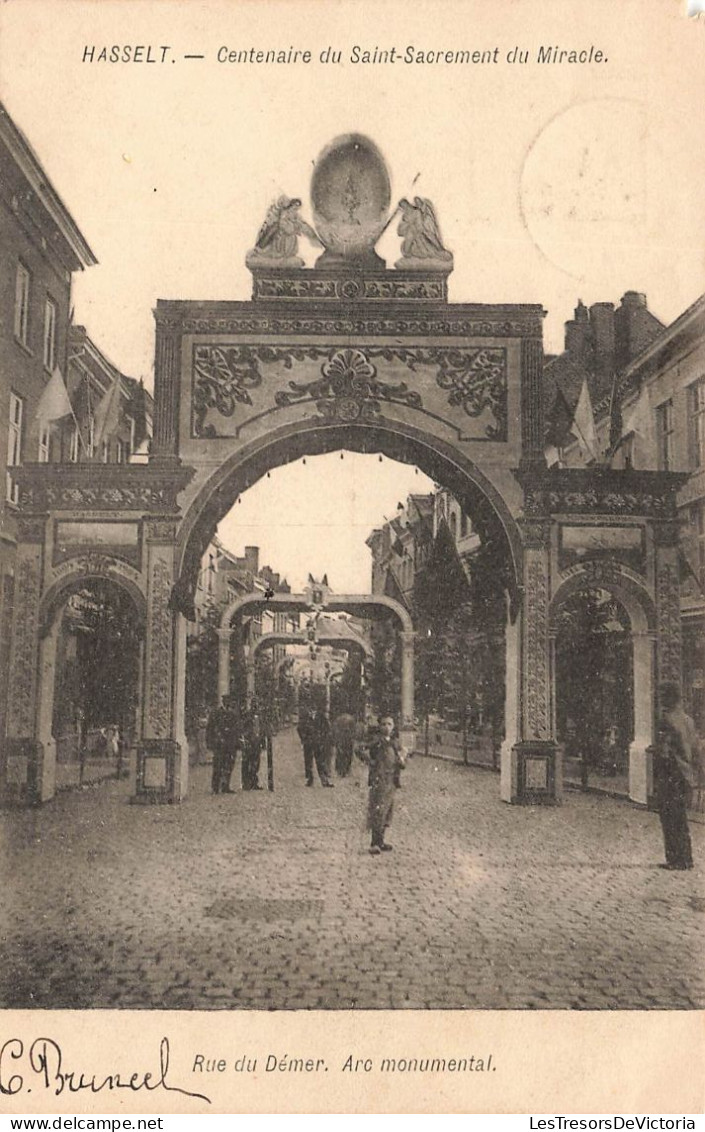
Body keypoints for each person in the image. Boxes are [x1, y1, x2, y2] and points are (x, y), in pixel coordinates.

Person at [654, 684, 699, 871]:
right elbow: (696, 748)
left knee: (669, 816)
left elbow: (664, 752)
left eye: (663, 696)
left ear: (669, 698)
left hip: (671, 773)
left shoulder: (665, 720)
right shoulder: (688, 720)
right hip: (686, 775)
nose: (660, 699)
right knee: (681, 817)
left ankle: (674, 859)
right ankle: (687, 858)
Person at [367, 716, 405, 855]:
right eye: (383, 724)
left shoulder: (395, 742)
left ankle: (381, 841)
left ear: (393, 726)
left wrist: (401, 761)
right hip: (380, 779)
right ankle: (374, 843)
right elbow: (359, 749)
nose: (386, 727)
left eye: (389, 724)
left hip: (392, 780)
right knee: (378, 810)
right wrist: (371, 763)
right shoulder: (376, 741)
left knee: (387, 810)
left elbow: (400, 758)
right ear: (379, 727)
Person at [206, 695, 241, 794]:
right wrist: (210, 742)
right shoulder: (216, 713)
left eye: (230, 702)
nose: (229, 703)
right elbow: (210, 728)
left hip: (230, 744)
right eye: (227, 701)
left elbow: (237, 729)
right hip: (219, 744)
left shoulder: (234, 714)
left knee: (229, 765)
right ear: (223, 702)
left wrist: (236, 742)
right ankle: (215, 787)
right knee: (218, 765)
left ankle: (226, 786)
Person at [241, 700, 266, 791]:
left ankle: (254, 782)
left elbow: (262, 729)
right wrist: (246, 739)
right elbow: (243, 728)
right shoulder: (247, 715)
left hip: (257, 742)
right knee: (247, 762)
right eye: (254, 705)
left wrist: (263, 742)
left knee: (256, 763)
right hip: (249, 742)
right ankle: (246, 783)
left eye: (257, 705)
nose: (256, 707)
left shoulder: (260, 716)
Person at [308, 706, 334, 787]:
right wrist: (305, 738)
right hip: (309, 743)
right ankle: (310, 780)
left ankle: (324, 781)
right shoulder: (307, 718)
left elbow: (327, 728)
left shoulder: (321, 717)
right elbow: (301, 728)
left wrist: (322, 738)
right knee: (308, 762)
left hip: (319, 743)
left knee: (320, 761)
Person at [333, 712, 356, 777]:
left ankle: (341, 770)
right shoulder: (351, 719)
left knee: (342, 754)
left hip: (344, 739)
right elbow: (353, 731)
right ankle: (344, 770)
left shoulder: (338, 719)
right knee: (346, 754)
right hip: (346, 739)